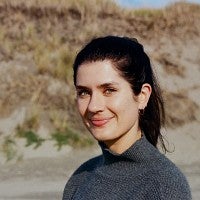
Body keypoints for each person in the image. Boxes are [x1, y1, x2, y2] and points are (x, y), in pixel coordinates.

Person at [62, 36, 191, 200]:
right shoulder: (80, 178)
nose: (94, 106)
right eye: (84, 92)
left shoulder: (164, 186)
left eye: (109, 90)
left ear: (142, 96)